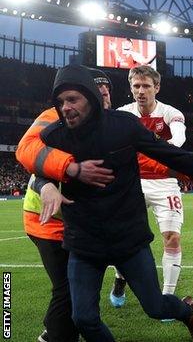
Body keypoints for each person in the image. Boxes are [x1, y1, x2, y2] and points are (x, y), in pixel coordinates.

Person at [24, 64, 193, 342]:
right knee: (83, 318)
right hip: (84, 242)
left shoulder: (123, 126)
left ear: (90, 97)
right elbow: (37, 168)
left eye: (73, 99)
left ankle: (188, 311)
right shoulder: (54, 135)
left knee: (156, 307)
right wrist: (47, 184)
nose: (66, 107)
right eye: (61, 101)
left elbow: (167, 155)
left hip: (127, 238)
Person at [17, 68, 115, 342]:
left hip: (77, 224)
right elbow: (27, 150)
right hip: (46, 221)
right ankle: (55, 335)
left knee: (74, 291)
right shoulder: (55, 116)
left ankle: (54, 329)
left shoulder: (104, 125)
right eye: (97, 89)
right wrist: (49, 182)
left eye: (107, 90)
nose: (104, 94)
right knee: (69, 291)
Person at [113, 66, 187, 310]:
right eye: (136, 86)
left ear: (157, 87)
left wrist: (143, 149)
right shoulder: (123, 113)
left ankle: (166, 298)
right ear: (131, 88)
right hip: (131, 183)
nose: (141, 91)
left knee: (172, 238)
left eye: (146, 86)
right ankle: (119, 279)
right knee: (124, 239)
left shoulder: (171, 113)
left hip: (164, 183)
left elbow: (178, 141)